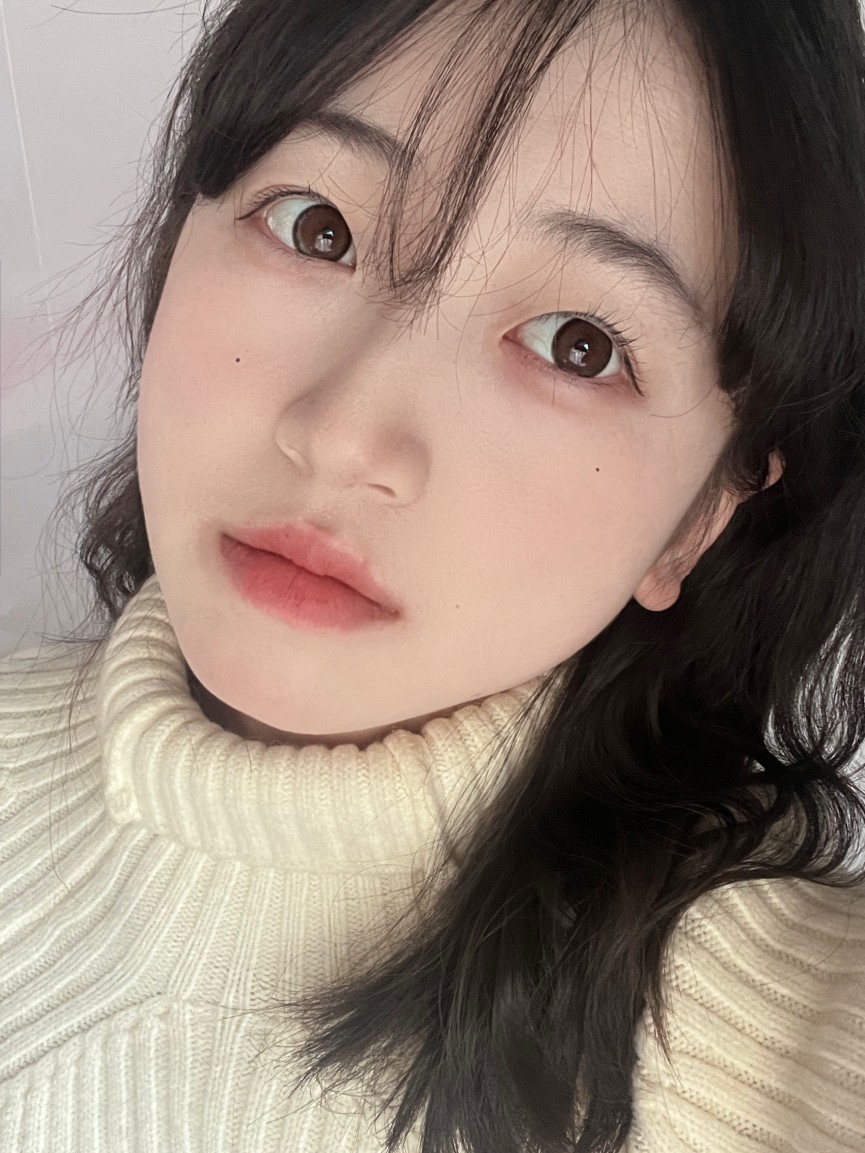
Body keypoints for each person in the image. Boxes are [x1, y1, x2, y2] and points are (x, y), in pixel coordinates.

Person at [2, 0, 865, 1149]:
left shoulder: (793, 1055)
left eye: (577, 345)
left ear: (700, 516)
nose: (344, 436)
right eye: (316, 227)